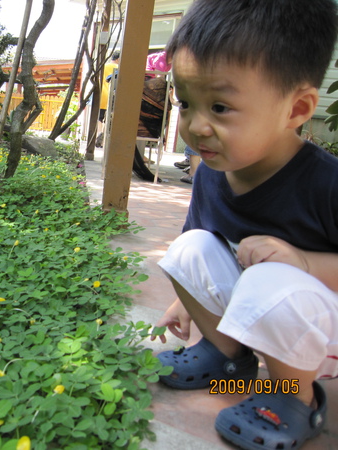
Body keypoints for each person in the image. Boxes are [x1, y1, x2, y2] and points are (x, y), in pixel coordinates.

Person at [151, 1, 338, 449]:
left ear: (296, 109)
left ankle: (297, 398)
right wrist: (187, 305)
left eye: (219, 106)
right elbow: (199, 252)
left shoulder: (327, 184)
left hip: (322, 328)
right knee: (188, 248)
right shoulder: (210, 174)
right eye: (186, 102)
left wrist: (304, 263)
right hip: (270, 306)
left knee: (271, 278)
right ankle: (228, 363)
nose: (196, 126)